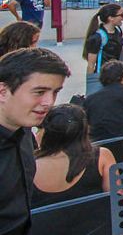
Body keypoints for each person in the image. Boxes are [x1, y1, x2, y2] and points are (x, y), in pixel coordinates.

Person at [0, 48, 69, 234]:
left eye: (55, 92)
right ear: (2, 91)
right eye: (39, 92)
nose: (49, 102)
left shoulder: (25, 132)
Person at [32, 104, 114, 207]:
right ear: (84, 130)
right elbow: (119, 201)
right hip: (98, 222)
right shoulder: (102, 156)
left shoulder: (27, 166)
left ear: (47, 133)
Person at [82, 4, 123, 74]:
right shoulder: (97, 37)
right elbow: (91, 65)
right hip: (103, 77)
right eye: (121, 15)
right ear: (111, 18)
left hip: (117, 74)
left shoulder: (117, 31)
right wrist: (91, 83)